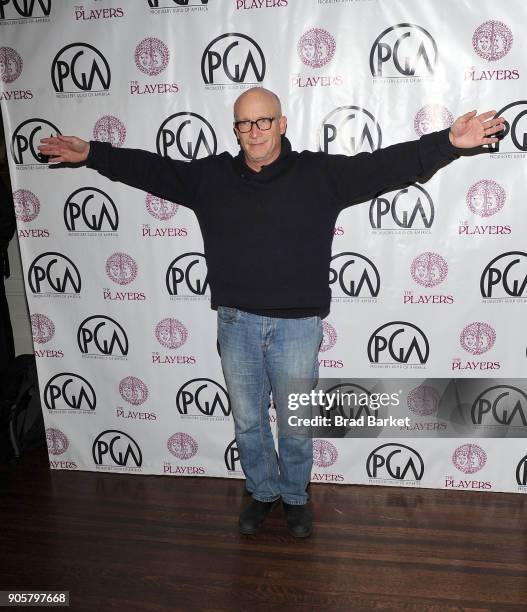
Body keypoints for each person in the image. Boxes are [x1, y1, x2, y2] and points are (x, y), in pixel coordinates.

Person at [39, 88, 504, 538]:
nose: (255, 131)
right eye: (245, 123)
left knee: (295, 422)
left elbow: (385, 166)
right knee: (248, 422)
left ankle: (296, 498)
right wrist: (93, 153)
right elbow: (150, 169)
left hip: (297, 327)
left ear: (282, 124)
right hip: (236, 323)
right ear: (236, 129)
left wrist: (447, 143)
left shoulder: (319, 175)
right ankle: (262, 492)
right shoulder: (210, 178)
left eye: (264, 121)